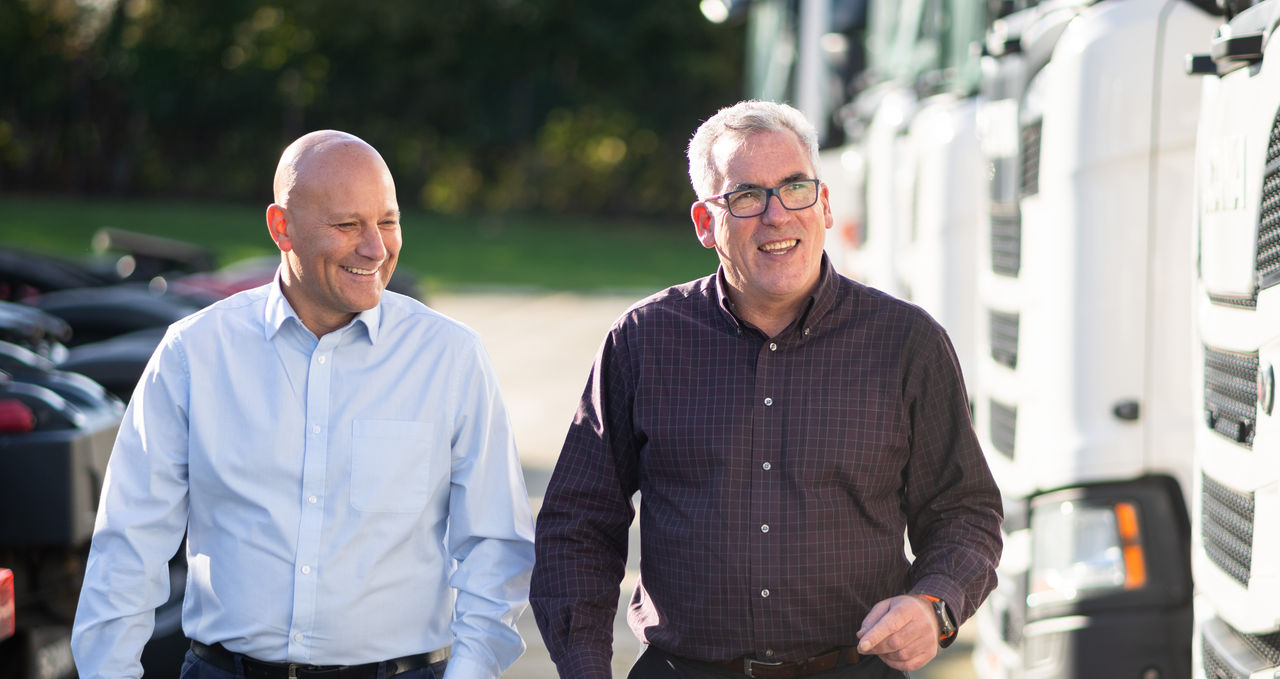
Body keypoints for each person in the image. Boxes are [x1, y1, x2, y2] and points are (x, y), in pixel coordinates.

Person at [529, 100, 1003, 679]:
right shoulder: (643, 341)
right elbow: (577, 524)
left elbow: (964, 511)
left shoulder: (906, 343)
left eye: (796, 188)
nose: (777, 216)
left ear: (824, 205)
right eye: (747, 197)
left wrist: (936, 606)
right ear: (707, 224)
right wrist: (583, 667)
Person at [72, 130, 536, 679]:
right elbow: (128, 542)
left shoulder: (450, 358)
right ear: (281, 227)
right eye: (347, 225)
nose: (376, 248)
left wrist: (469, 671)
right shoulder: (194, 353)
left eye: (387, 222)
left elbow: (495, 547)